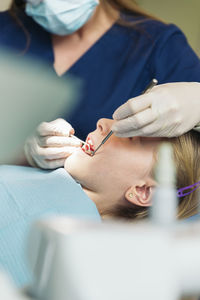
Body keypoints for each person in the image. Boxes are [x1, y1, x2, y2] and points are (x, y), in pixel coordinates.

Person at [0, 117, 200, 286]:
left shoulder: (72, 254)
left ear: (143, 191)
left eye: (130, 138)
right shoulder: (47, 178)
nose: (102, 122)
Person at [1, 0, 200, 169]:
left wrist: (196, 101)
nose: (101, 124)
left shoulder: (156, 45)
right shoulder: (6, 34)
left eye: (131, 138)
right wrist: (20, 151)